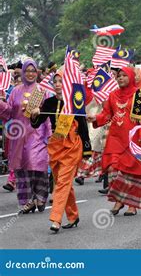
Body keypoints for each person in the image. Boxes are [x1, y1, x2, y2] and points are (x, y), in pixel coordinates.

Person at [30, 72, 91, 232]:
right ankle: (73, 216)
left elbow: (83, 125)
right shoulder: (48, 102)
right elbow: (36, 124)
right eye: (55, 81)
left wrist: (86, 150)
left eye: (61, 81)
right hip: (55, 146)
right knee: (63, 184)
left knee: (62, 184)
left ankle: (56, 219)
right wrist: (34, 114)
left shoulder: (74, 100)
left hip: (72, 146)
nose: (57, 84)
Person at [87, 67, 141, 217]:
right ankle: (119, 199)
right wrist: (96, 118)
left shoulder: (139, 95)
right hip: (115, 138)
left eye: (124, 75)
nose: (121, 78)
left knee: (131, 172)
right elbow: (107, 114)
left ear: (131, 77)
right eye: (119, 76)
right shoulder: (113, 95)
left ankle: (131, 205)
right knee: (113, 169)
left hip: (132, 138)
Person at [0, 59, 50, 213]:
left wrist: (49, 134)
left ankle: (40, 197)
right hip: (19, 135)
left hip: (37, 134)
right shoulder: (15, 91)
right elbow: (8, 112)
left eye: (33, 71)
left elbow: (47, 115)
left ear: (37, 73)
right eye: (27, 71)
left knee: (37, 165)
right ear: (22, 73)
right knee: (22, 169)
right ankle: (27, 201)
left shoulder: (42, 91)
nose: (30, 73)